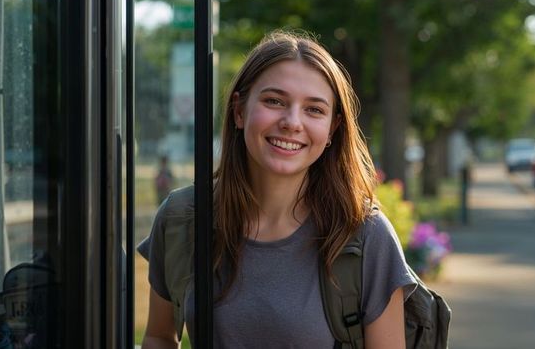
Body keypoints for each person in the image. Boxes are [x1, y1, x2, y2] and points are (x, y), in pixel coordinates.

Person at [139, 30, 417, 348]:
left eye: (314, 109)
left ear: (332, 130)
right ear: (239, 111)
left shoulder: (365, 235)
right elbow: (159, 336)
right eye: (274, 101)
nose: (292, 122)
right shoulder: (182, 218)